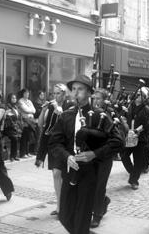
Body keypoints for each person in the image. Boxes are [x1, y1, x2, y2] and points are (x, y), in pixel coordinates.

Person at [49, 75, 124, 234]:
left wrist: (94, 154)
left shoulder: (99, 115)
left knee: (82, 217)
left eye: (80, 89)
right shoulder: (66, 116)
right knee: (65, 216)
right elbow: (55, 143)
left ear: (89, 93)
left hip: (90, 172)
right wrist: (66, 156)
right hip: (70, 170)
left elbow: (118, 141)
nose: (75, 93)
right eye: (74, 89)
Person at [35, 83, 72, 217]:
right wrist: (44, 111)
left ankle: (66, 205)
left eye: (58, 93)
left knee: (63, 175)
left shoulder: (69, 105)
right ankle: (59, 206)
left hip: (65, 145)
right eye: (54, 93)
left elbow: (66, 120)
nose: (55, 96)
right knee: (56, 174)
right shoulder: (50, 107)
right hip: (52, 144)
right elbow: (40, 125)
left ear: (64, 94)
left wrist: (57, 108)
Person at [90, 88, 117, 228]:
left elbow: (118, 136)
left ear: (106, 100)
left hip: (105, 156)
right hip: (91, 154)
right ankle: (104, 201)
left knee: (100, 185)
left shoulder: (111, 113)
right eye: (94, 98)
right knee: (91, 184)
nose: (95, 101)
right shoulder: (91, 112)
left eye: (98, 98)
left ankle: (97, 215)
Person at [121, 87, 149, 190]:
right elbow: (125, 118)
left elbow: (146, 124)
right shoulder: (130, 106)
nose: (137, 95)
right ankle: (133, 173)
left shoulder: (146, 109)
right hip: (129, 135)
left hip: (140, 138)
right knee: (124, 156)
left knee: (138, 160)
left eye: (140, 94)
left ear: (144, 97)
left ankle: (134, 181)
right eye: (137, 93)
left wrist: (137, 132)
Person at [4, 93, 23, 161]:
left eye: (15, 98)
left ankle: (14, 156)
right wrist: (14, 125)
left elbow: (19, 116)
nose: (14, 99)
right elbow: (8, 117)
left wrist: (19, 125)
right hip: (8, 127)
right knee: (14, 138)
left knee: (16, 138)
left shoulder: (16, 107)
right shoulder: (7, 107)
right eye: (13, 98)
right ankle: (12, 156)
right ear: (9, 99)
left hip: (15, 126)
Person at [18, 88, 36, 158]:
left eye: (28, 93)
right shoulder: (20, 101)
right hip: (25, 120)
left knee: (29, 137)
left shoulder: (29, 101)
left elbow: (34, 110)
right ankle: (22, 153)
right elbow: (25, 110)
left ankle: (27, 152)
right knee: (24, 137)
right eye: (25, 93)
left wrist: (30, 111)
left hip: (31, 120)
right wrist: (30, 111)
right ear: (23, 94)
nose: (27, 94)